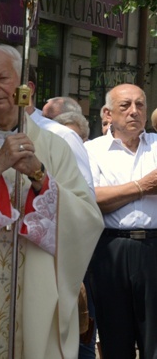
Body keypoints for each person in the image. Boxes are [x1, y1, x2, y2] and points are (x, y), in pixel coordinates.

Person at [0, 44, 103, 357]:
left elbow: (87, 218)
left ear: (22, 88)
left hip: (37, 293)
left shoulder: (54, 147)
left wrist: (41, 177)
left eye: (2, 77)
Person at [84, 84, 157, 358]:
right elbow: (91, 199)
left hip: (153, 249)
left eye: (140, 105)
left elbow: (106, 196)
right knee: (115, 341)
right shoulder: (92, 150)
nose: (134, 111)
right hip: (110, 249)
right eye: (125, 105)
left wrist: (118, 194)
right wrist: (142, 186)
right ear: (108, 112)